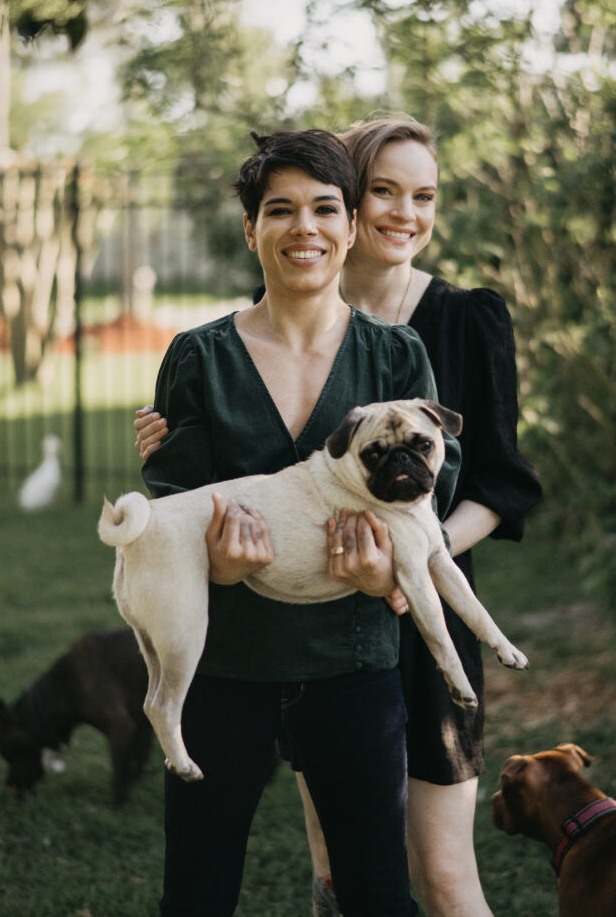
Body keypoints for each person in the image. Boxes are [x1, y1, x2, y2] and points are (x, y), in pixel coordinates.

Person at [136, 118, 543, 917]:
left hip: (355, 670)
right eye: (279, 210)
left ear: (349, 227)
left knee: (377, 894)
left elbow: (432, 501)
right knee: (197, 889)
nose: (304, 228)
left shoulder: (397, 357)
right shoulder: (199, 355)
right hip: (226, 666)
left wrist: (388, 572)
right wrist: (213, 560)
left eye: (324, 208)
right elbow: (172, 504)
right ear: (250, 228)